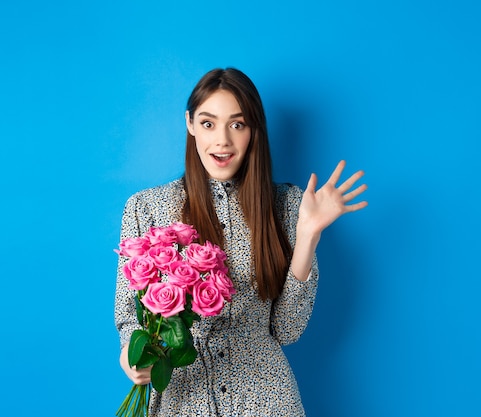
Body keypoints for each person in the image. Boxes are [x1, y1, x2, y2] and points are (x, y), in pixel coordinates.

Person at [114, 67, 368, 416]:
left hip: (266, 399)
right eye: (208, 123)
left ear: (254, 130)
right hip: (183, 399)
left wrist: (308, 236)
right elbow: (131, 317)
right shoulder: (146, 208)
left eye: (237, 124)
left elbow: (287, 329)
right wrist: (133, 353)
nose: (222, 140)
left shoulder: (289, 206)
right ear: (189, 124)